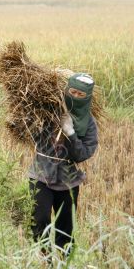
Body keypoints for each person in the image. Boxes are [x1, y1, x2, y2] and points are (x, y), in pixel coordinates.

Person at [28, 72, 98, 257]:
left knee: (65, 228)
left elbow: (83, 154)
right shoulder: (49, 109)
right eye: (72, 92)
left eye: (80, 95)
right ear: (66, 90)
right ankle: (45, 262)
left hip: (68, 181)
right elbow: (29, 132)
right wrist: (36, 119)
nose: (75, 97)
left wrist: (71, 132)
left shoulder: (89, 124)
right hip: (41, 175)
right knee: (40, 221)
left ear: (87, 96)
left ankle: (65, 265)